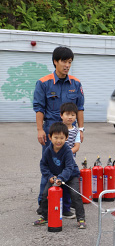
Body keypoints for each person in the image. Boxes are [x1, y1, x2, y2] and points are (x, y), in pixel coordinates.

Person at [33, 46, 85, 215]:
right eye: (64, 61)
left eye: (70, 62)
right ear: (55, 61)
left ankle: (64, 205)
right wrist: (40, 129)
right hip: (51, 133)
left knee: (69, 169)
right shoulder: (43, 83)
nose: (67, 65)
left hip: (69, 133)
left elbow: (80, 109)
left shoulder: (76, 84)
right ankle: (44, 204)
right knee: (49, 167)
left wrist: (81, 129)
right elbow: (39, 108)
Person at [33, 122, 86, 229]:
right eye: (55, 137)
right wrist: (50, 176)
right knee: (45, 194)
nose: (58, 140)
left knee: (75, 195)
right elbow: (43, 165)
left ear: (66, 138)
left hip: (71, 176)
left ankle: (81, 219)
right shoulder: (48, 151)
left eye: (61, 138)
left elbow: (69, 168)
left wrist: (61, 178)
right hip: (55, 176)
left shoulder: (67, 151)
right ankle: (44, 216)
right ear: (50, 137)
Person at [60, 102, 81, 219]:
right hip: (58, 164)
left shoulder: (76, 131)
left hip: (70, 164)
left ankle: (67, 209)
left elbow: (76, 147)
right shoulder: (58, 128)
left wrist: (66, 154)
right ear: (61, 115)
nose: (70, 117)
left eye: (73, 115)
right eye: (67, 114)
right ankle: (54, 207)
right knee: (58, 186)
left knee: (68, 187)